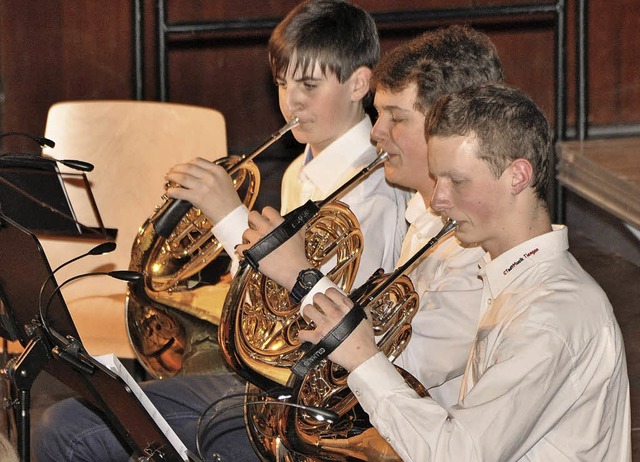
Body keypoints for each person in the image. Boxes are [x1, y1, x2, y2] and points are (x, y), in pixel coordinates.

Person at [32, 1, 409, 461]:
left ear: (359, 83)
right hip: (264, 378)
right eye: (282, 83)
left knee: (70, 429)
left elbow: (324, 326)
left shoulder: (374, 189)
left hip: (299, 399)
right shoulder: (298, 170)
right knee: (81, 412)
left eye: (309, 85)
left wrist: (228, 216)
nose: (291, 101)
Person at [264, 83, 631, 460]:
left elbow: (458, 454)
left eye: (456, 181)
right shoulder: (512, 280)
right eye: (437, 178)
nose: (438, 200)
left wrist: (362, 357)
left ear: (517, 177)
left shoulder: (552, 315)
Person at [240, 24, 504, 407]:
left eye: (395, 118)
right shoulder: (423, 218)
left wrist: (300, 277)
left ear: (450, 129)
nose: (376, 131)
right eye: (379, 115)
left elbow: (395, 367)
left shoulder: (478, 251)